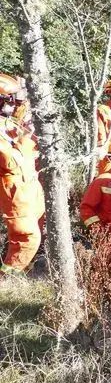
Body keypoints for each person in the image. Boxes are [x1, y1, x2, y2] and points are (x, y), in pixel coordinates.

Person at [0, 74, 45, 276]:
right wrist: (26, 139)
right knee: (28, 239)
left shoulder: (7, 123)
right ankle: (8, 281)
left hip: (28, 189)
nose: (14, 105)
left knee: (36, 231)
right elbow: (11, 161)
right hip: (14, 193)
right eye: (10, 100)